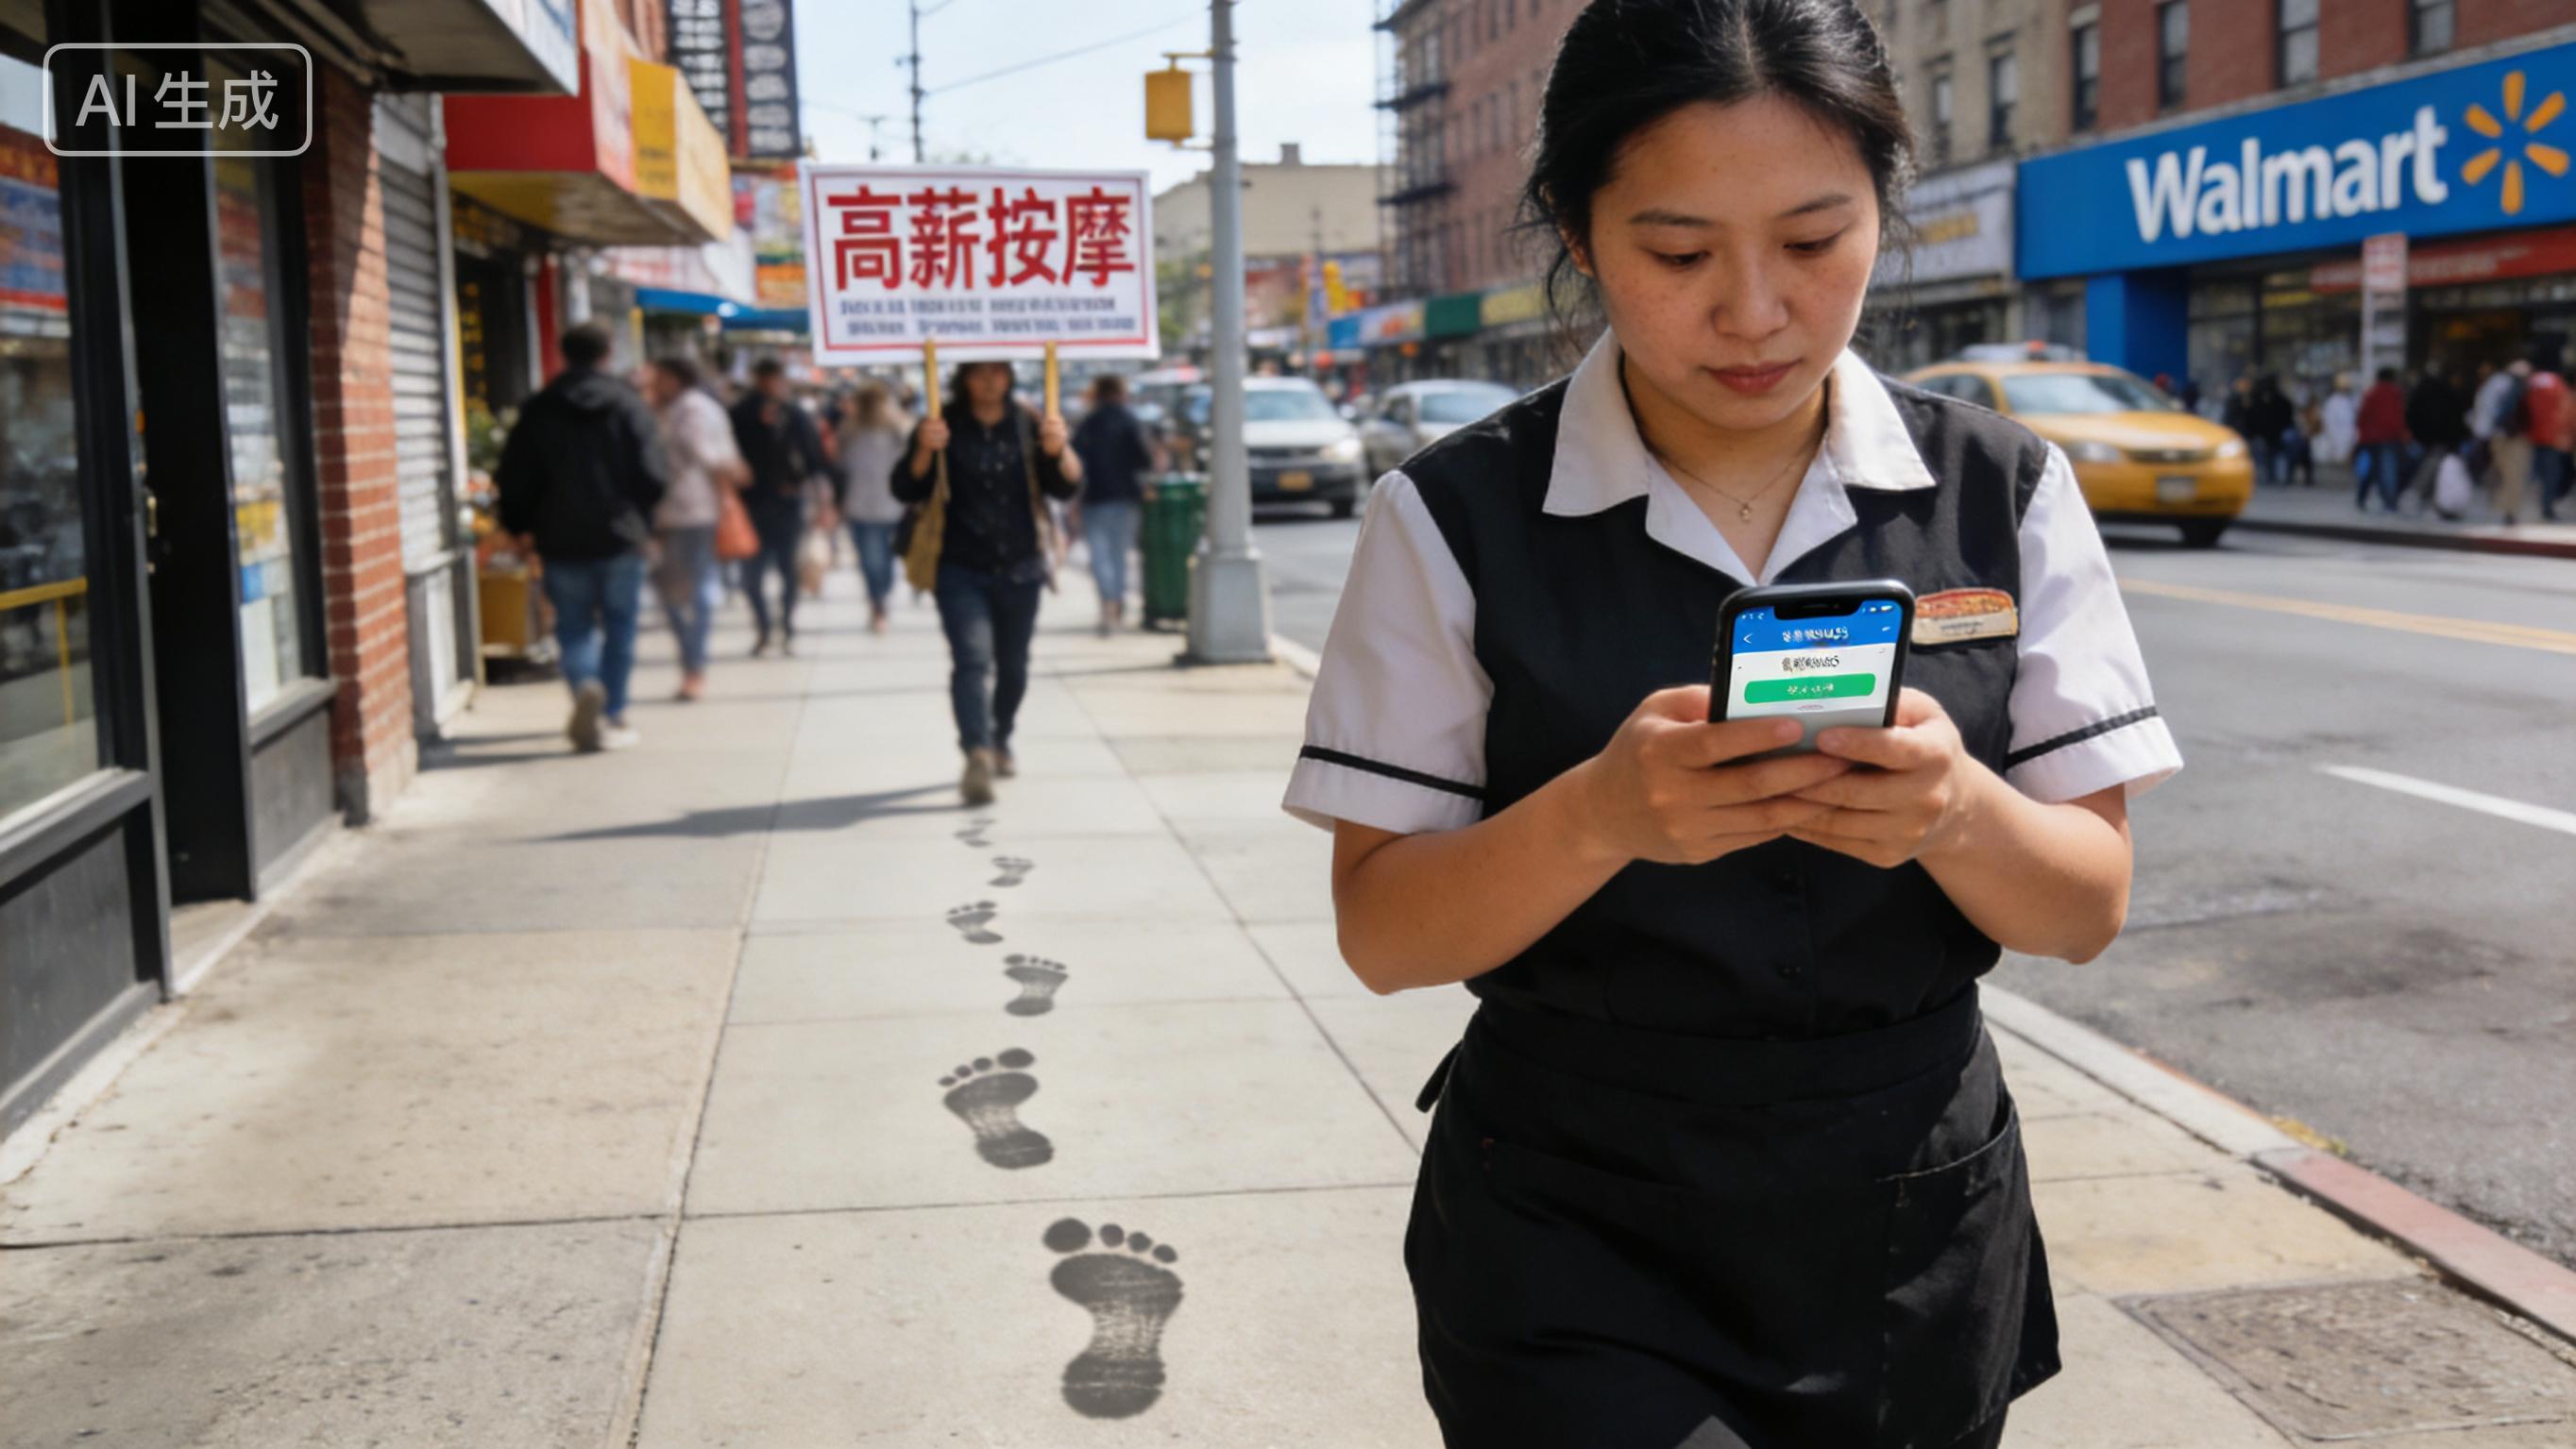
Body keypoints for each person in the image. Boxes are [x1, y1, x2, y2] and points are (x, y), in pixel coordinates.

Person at [1281, 3, 2183, 1444]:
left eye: (1816, 242)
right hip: (1570, 1213)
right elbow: (1385, 933)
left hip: (1909, 1208)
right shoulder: (1451, 516)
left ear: (1887, 215)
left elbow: (2085, 905)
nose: (1755, 312)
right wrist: (1595, 816)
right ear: (1581, 236)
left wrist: (1956, 811)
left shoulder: (2002, 490)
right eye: (1680, 252)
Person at [894, 362, 1082, 805]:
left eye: (998, 371)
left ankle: (1001, 736)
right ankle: (976, 750)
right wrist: (924, 449)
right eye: (979, 372)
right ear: (963, 378)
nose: (989, 381)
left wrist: (1060, 448)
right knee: (972, 659)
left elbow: (1065, 487)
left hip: (1021, 567)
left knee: (1014, 664)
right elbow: (905, 488)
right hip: (958, 566)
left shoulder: (1030, 422)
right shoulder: (940, 424)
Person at [495, 323, 668, 752]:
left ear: (562, 353)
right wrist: (642, 518)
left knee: (572, 627)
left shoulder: (539, 408)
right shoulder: (629, 404)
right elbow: (653, 474)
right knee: (621, 625)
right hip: (620, 536)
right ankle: (611, 710)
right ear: (609, 352)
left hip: (559, 537)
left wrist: (518, 526)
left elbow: (514, 477)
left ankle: (587, 686)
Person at [645, 356, 745, 701]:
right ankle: (693, 661)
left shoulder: (689, 410)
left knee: (685, 589)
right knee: (681, 588)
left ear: (674, 377)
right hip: (683, 510)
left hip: (688, 509)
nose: (653, 383)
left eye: (658, 376)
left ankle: (693, 662)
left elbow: (708, 456)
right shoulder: (697, 407)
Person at [729, 358, 829, 656]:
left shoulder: (794, 415)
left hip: (786, 503)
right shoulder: (741, 414)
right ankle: (764, 627)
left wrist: (819, 497)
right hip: (752, 505)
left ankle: (785, 627)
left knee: (786, 571)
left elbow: (814, 459)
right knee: (753, 576)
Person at [1070, 373, 1160, 636]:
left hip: (1094, 496)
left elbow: (1074, 464)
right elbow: (1144, 459)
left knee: (1099, 556)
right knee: (1119, 554)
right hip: (1124, 496)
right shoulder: (1129, 420)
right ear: (1120, 392)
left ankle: (1108, 603)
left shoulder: (1088, 422)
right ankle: (1116, 603)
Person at [833, 380, 911, 631]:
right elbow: (840, 467)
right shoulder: (849, 430)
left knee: (886, 558)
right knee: (870, 559)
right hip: (860, 505)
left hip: (891, 504)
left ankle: (881, 598)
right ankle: (877, 601)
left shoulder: (896, 428)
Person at [2404, 364, 2469, 514]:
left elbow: (2411, 413)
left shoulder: (2421, 390)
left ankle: (2425, 495)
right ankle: (2427, 495)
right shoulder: (2448, 391)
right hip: (2445, 437)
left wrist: (2415, 432)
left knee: (2432, 465)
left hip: (2427, 436)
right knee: (2436, 467)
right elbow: (2457, 415)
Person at [2476, 359, 2534, 526]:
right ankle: (2509, 511)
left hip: (2496, 436)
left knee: (2501, 474)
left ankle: (2501, 507)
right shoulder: (2514, 386)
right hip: (2511, 438)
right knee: (2513, 476)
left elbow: (2483, 409)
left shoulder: (2494, 383)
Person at [2527, 345, 2574, 522]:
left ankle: (2525, 507)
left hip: (2530, 436)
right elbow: (2564, 412)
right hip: (2551, 437)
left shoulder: (2531, 381)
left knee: (2532, 474)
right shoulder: (2557, 384)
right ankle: (2546, 509)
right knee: (2551, 476)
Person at [2356, 366, 2409, 513]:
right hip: (2389, 437)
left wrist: (2363, 435)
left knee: (2372, 469)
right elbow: (2399, 417)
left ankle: (2362, 497)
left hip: (2371, 438)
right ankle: (2390, 502)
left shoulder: (2371, 393)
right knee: (2388, 469)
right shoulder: (2396, 394)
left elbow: (2362, 417)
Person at [2316, 373, 2359, 470]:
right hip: (2337, 438)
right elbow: (2329, 422)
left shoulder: (2351, 401)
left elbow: (2354, 420)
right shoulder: (2332, 402)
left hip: (2350, 437)